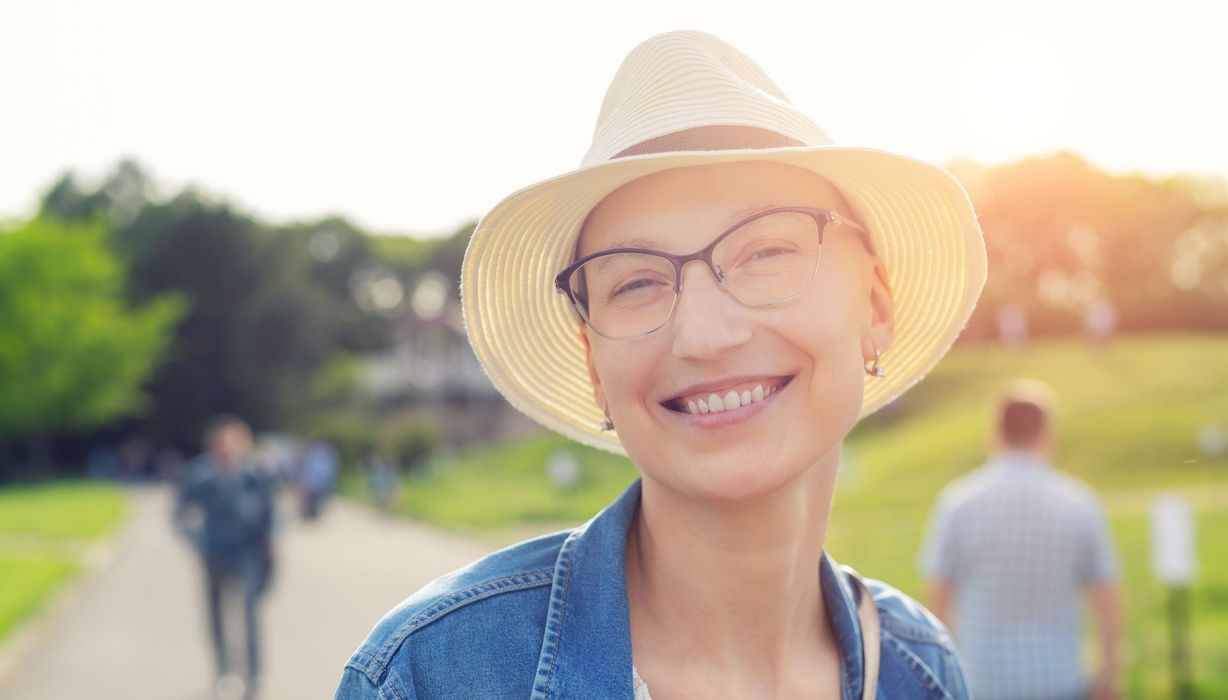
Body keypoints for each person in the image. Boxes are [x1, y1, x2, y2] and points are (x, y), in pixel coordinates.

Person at [337, 30, 987, 699]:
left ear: (876, 308)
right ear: (593, 364)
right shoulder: (430, 677)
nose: (704, 335)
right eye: (635, 284)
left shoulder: (923, 672)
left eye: (767, 252)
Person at [919, 380, 1123, 700]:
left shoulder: (957, 504)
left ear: (995, 433)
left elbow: (937, 607)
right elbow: (1107, 602)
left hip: (981, 682)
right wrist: (1110, 679)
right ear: (1047, 434)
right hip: (1060, 681)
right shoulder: (1080, 504)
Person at [175, 414, 276, 699]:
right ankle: (223, 673)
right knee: (216, 617)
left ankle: (254, 676)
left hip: (247, 554)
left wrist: (270, 545)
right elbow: (180, 513)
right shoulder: (199, 475)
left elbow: (270, 514)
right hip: (214, 553)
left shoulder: (255, 475)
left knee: (250, 616)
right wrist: (196, 541)